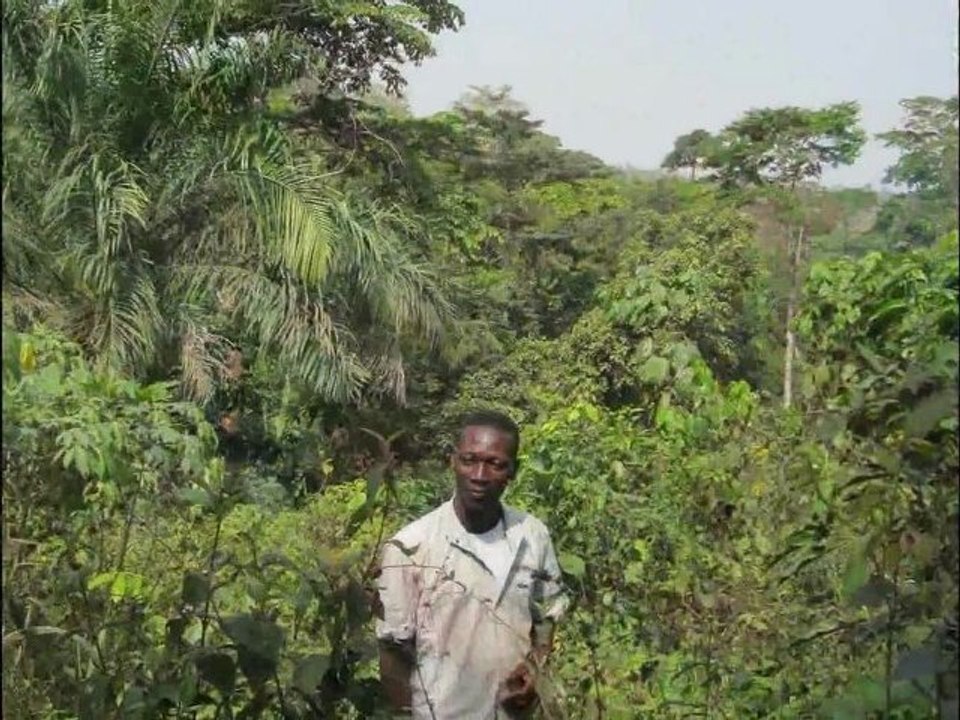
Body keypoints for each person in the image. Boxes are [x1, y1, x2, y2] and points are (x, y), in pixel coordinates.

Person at [375, 410, 567, 719]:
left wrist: (534, 669)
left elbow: (546, 618)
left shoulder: (533, 536)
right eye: (469, 460)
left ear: (513, 471)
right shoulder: (411, 547)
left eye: (495, 464)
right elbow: (392, 653)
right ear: (452, 461)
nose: (479, 475)